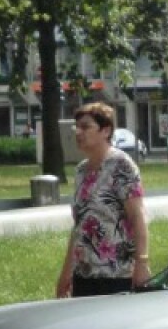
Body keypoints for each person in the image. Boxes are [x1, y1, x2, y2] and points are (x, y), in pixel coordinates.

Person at [55, 102, 150, 298]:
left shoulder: (121, 165)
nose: (78, 132)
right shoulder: (81, 171)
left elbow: (137, 216)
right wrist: (66, 272)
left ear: (105, 130)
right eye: (77, 127)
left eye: (86, 127)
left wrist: (142, 263)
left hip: (116, 273)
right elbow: (79, 226)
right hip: (84, 274)